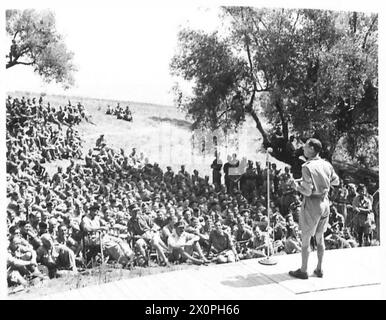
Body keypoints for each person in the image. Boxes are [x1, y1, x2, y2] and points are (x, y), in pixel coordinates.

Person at [289, 138, 339, 279]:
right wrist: (323, 183)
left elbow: (307, 191)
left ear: (311, 148)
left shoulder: (307, 167)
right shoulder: (326, 164)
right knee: (320, 237)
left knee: (305, 238)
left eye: (305, 146)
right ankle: (319, 269)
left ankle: (304, 270)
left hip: (312, 204)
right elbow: (336, 180)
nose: (303, 149)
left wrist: (296, 186)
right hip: (325, 203)